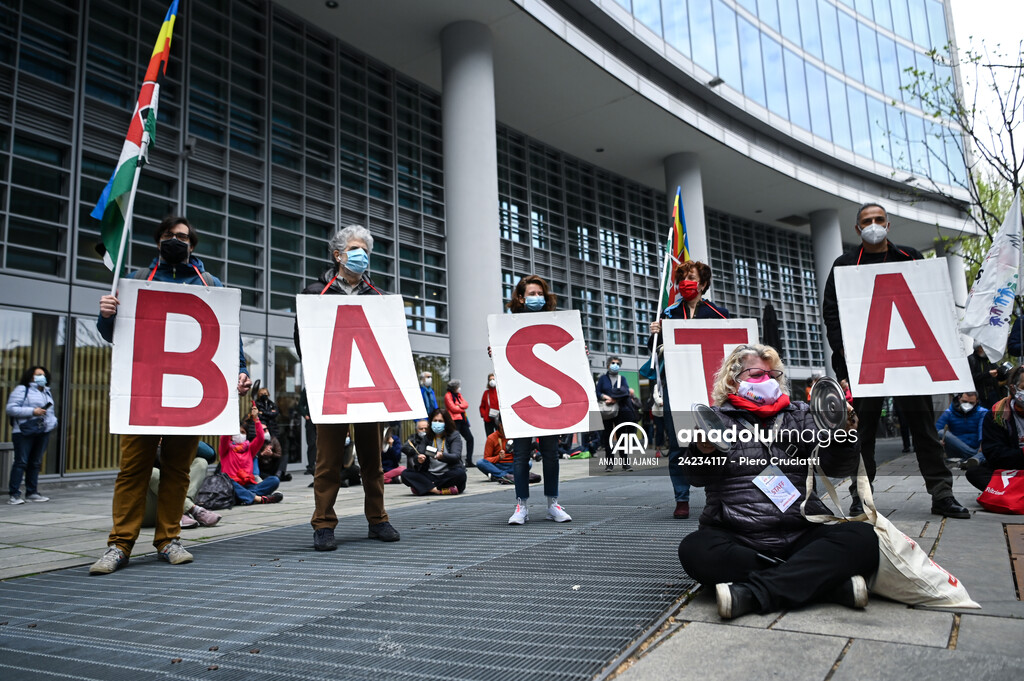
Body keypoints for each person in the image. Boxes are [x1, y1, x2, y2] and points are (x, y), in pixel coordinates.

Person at [90, 216, 251, 575]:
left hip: (189, 392)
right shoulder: (136, 281)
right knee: (133, 469)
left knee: (177, 470)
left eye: (181, 236)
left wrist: (240, 370)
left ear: (191, 245)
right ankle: (119, 545)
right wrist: (106, 317)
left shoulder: (209, 284)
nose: (175, 241)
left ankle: (168, 539)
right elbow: (114, 336)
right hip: (145, 391)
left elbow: (229, 336)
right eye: (168, 236)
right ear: (158, 242)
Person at [677, 343, 878, 619]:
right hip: (739, 536)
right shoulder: (715, 420)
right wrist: (702, 450)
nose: (768, 382)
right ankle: (826, 585)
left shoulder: (802, 414)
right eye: (757, 374)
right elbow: (695, 478)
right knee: (695, 550)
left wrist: (843, 435)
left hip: (802, 531)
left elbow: (837, 467)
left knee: (864, 538)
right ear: (732, 381)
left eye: (773, 376)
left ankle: (750, 595)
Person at [821, 203, 970, 519]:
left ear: (887, 225)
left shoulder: (911, 258)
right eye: (866, 221)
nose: (873, 224)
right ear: (857, 229)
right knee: (864, 435)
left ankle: (942, 495)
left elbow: (931, 303)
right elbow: (832, 316)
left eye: (878, 219)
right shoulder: (844, 265)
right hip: (866, 366)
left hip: (910, 364)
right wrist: (845, 362)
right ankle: (862, 498)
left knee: (926, 432)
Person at [294, 224, 400, 551]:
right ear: (338, 255)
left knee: (372, 460)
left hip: (368, 391)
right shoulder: (316, 293)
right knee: (328, 461)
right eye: (354, 250)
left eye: (365, 251)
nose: (361, 256)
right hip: (332, 390)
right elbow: (303, 340)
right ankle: (323, 523)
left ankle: (378, 519)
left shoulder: (377, 297)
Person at [649, 259, 730, 519]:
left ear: (703, 283)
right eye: (682, 277)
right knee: (678, 443)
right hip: (678, 383)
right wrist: (655, 335)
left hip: (710, 385)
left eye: (691, 277)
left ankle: (716, 495)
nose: (686, 282)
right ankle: (681, 498)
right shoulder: (669, 314)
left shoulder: (719, 315)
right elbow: (653, 353)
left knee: (716, 440)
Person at [502, 275, 571, 525]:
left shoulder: (555, 322)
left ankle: (553, 504)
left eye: (539, 293)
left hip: (548, 397)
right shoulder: (508, 326)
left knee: (551, 453)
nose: (536, 298)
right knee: (520, 455)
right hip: (523, 397)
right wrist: (496, 350)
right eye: (531, 294)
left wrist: (577, 353)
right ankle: (521, 505)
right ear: (520, 298)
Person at [6, 366, 57, 505]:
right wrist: (33, 411)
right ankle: (14, 494)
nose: (42, 377)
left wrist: (53, 423)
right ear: (31, 376)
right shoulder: (22, 390)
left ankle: (32, 492)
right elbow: (11, 409)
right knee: (21, 462)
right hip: (24, 431)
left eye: (43, 375)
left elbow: (50, 412)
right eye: (38, 375)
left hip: (42, 431)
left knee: (35, 463)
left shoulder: (47, 392)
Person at [143, 441, 221, 529]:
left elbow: (209, 453)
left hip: (173, 501)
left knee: (200, 462)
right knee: (153, 472)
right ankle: (192, 510)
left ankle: (182, 511)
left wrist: (182, 438)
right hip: (148, 510)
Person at [971, 366, 1024, 491]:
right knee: (976, 473)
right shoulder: (996, 415)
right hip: (1012, 469)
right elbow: (994, 454)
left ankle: (1011, 491)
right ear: (1013, 388)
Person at [220, 407, 283, 505]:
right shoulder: (226, 449)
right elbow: (224, 437)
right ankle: (258, 499)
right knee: (227, 481)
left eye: (243, 432)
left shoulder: (250, 449)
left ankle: (245, 497)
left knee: (274, 480)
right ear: (231, 435)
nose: (240, 435)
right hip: (232, 485)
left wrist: (256, 418)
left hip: (249, 486)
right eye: (237, 432)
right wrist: (230, 420)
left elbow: (261, 438)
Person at [401, 409, 467, 495]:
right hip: (430, 475)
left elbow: (456, 457)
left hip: (448, 474)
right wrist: (419, 459)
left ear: (446, 422)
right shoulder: (427, 437)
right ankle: (437, 490)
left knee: (460, 474)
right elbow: (418, 455)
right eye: (435, 421)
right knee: (405, 474)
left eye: (440, 421)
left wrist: (442, 456)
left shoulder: (454, 435)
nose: (437, 423)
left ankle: (424, 487)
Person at [596, 356, 637, 472]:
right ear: (608, 365)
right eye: (613, 363)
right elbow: (597, 392)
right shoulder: (603, 379)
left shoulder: (622, 378)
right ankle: (609, 464)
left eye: (617, 363)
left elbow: (626, 391)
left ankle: (625, 463)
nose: (615, 365)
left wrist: (614, 399)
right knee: (608, 437)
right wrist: (605, 397)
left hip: (620, 411)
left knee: (621, 437)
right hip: (607, 411)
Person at [935, 392, 986, 462]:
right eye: (964, 401)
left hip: (978, 448)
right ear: (959, 398)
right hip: (957, 449)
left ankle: (974, 458)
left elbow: (983, 429)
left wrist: (982, 444)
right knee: (941, 432)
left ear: (976, 401)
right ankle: (976, 458)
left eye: (971, 403)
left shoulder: (982, 412)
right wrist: (939, 441)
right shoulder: (949, 412)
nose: (967, 405)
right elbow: (936, 430)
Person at [444, 379, 474, 466]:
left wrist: (459, 406)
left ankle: (469, 460)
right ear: (454, 387)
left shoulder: (458, 395)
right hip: (454, 421)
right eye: (457, 386)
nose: (459, 388)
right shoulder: (448, 396)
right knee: (456, 440)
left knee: (470, 438)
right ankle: (457, 460)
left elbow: (466, 404)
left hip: (462, 420)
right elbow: (453, 408)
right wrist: (461, 407)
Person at [298, 387, 317, 475]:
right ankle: (311, 466)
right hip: (311, 419)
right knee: (312, 443)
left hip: (322, 419)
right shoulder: (308, 388)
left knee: (323, 443)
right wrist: (305, 415)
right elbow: (300, 405)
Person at [479, 373, 500, 437]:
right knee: (490, 438)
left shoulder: (499, 392)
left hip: (498, 419)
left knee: (500, 437)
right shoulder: (486, 393)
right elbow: (482, 406)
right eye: (490, 379)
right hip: (488, 419)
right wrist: (484, 415)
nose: (492, 381)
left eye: (493, 379)